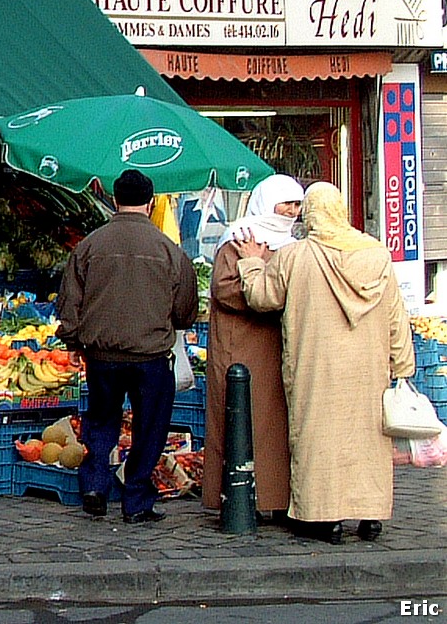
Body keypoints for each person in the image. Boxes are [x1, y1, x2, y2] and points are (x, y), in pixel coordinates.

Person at [234, 181, 415, 544]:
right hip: (369, 372)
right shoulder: (377, 255)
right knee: (368, 443)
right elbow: (397, 317)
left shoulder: (296, 256)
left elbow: (261, 297)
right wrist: (402, 365)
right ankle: (370, 514)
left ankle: (323, 518)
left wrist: (251, 263)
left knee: (318, 442)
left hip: (315, 370)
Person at [57, 169, 198, 523]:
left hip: (102, 356)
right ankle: (136, 501)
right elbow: (185, 312)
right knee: (149, 428)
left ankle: (94, 485)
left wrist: (74, 340)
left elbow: (68, 302)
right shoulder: (170, 250)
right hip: (151, 356)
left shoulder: (89, 245)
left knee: (101, 421)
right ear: (151, 203)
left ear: (113, 200)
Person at [200, 173, 304, 517]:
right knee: (240, 420)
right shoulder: (240, 238)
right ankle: (236, 501)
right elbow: (226, 289)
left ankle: (274, 499)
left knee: (274, 427)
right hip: (240, 347)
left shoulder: (293, 244)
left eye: (297, 205)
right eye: (285, 203)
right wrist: (262, 282)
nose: (291, 211)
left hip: (278, 347)